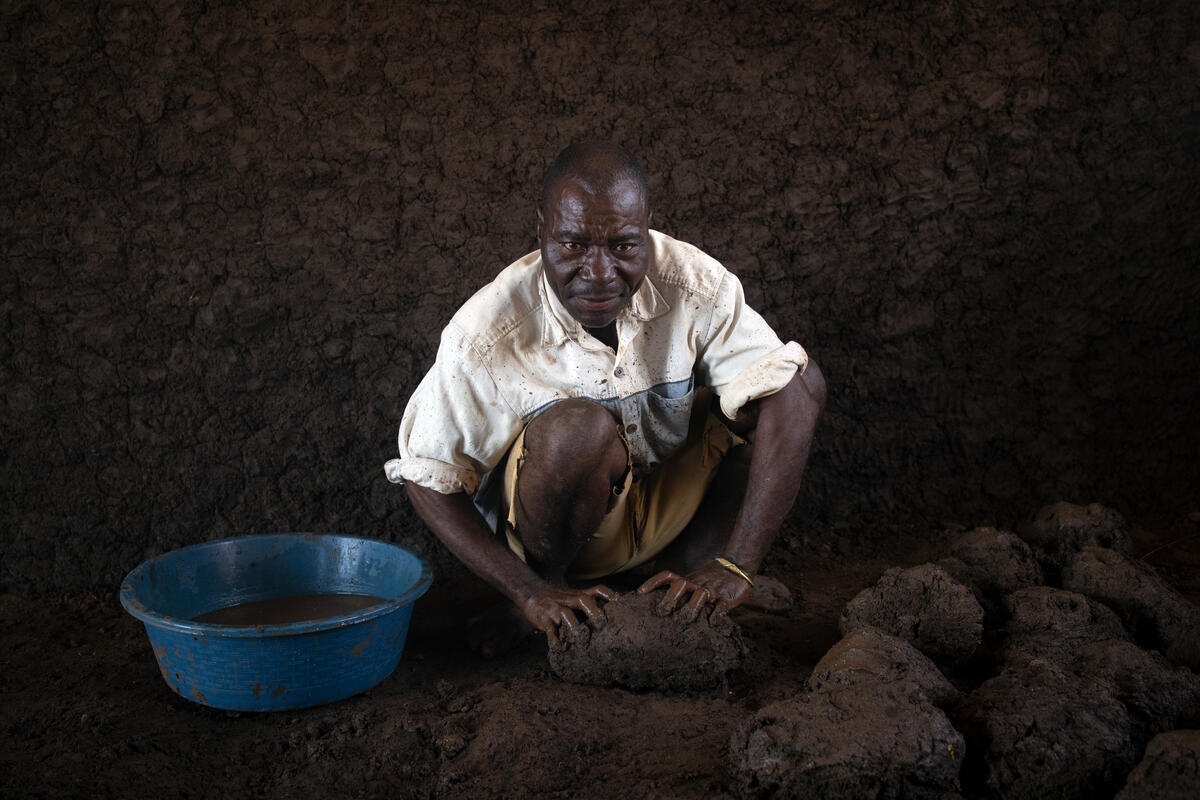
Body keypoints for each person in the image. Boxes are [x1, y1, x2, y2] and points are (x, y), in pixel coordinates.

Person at [384, 141, 825, 655]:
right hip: (556, 543)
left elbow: (792, 398)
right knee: (578, 431)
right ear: (542, 230)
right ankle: (545, 601)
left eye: (623, 246)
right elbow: (426, 477)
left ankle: (701, 572)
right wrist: (527, 590)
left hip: (667, 507)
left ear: (647, 229)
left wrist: (741, 563)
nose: (598, 273)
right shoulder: (488, 332)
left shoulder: (693, 283)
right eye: (573, 245)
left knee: (794, 382)